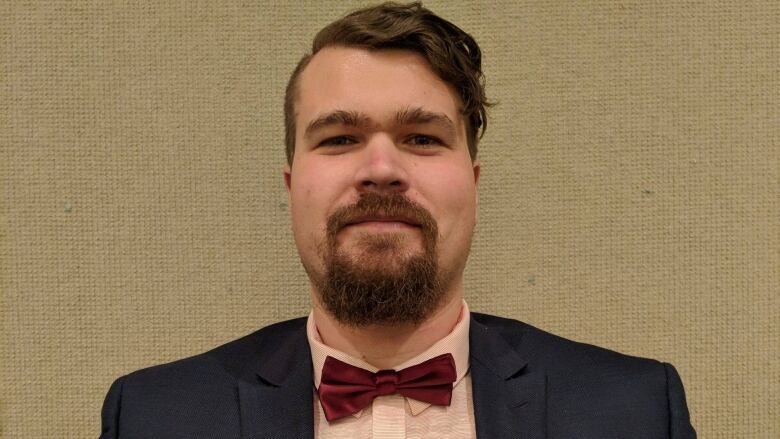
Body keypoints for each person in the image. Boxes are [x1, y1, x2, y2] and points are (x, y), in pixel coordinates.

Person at [100, 2, 696, 438]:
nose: (381, 168)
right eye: (339, 137)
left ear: (474, 183)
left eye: (421, 137)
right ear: (291, 188)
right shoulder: (152, 416)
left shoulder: (635, 410)